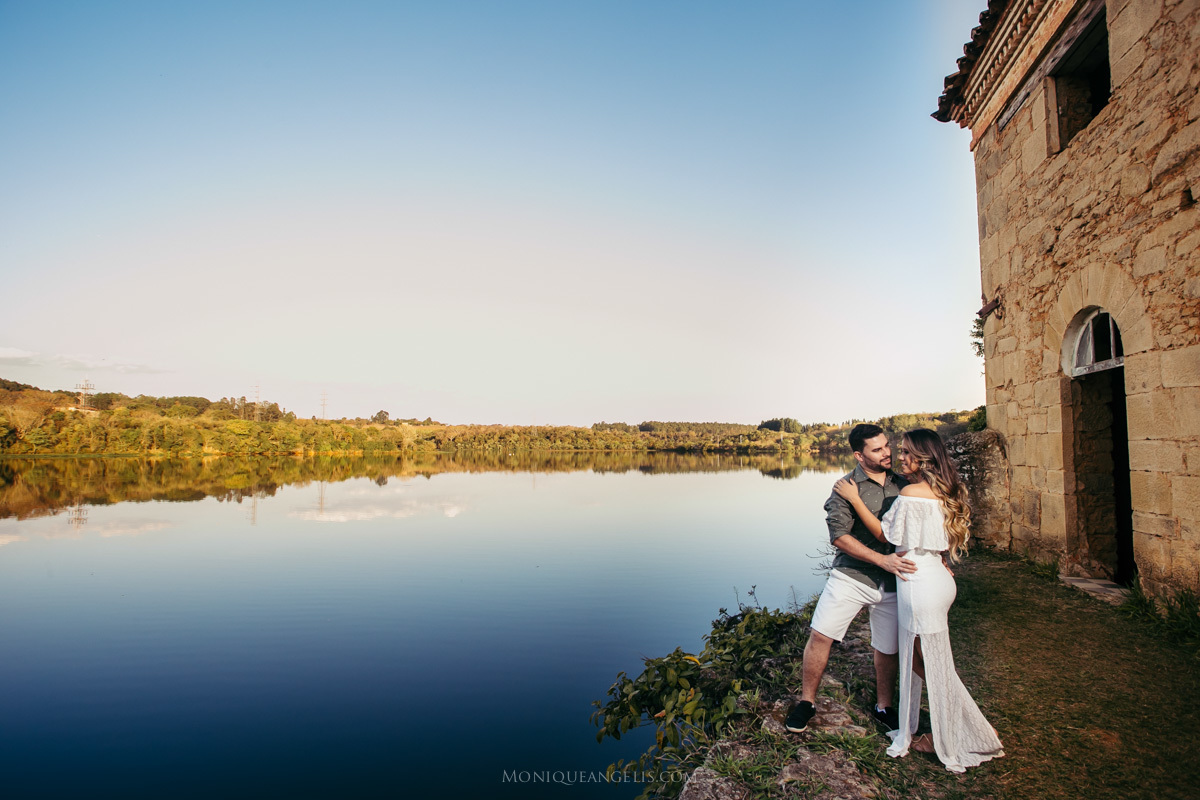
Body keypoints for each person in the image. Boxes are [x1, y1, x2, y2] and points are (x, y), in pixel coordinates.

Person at [833, 428, 1003, 773]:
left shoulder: (911, 492)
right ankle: (952, 728)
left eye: (909, 453)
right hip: (934, 578)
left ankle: (965, 733)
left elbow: (885, 534)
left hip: (919, 583)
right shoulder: (944, 490)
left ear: (925, 459)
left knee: (931, 665)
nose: (902, 458)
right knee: (928, 661)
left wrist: (854, 499)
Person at [785, 424, 916, 735]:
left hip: (895, 579)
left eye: (887, 446)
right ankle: (806, 702)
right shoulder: (844, 488)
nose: (887, 453)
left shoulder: (905, 483)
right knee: (821, 634)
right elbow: (840, 537)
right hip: (853, 576)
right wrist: (881, 559)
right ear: (859, 455)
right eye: (877, 449)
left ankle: (884, 706)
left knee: (887, 647)